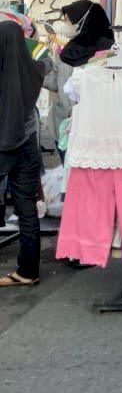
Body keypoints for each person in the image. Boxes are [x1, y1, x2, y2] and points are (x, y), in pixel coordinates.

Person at [0, 20, 51, 286]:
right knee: (26, 207)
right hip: (27, 141)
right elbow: (48, 61)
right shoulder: (31, 69)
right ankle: (28, 271)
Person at [45, 0, 115, 162]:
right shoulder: (69, 49)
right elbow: (58, 85)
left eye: (68, 21)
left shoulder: (107, 51)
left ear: (83, 21)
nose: (65, 25)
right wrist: (37, 71)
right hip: (62, 126)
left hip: (94, 129)